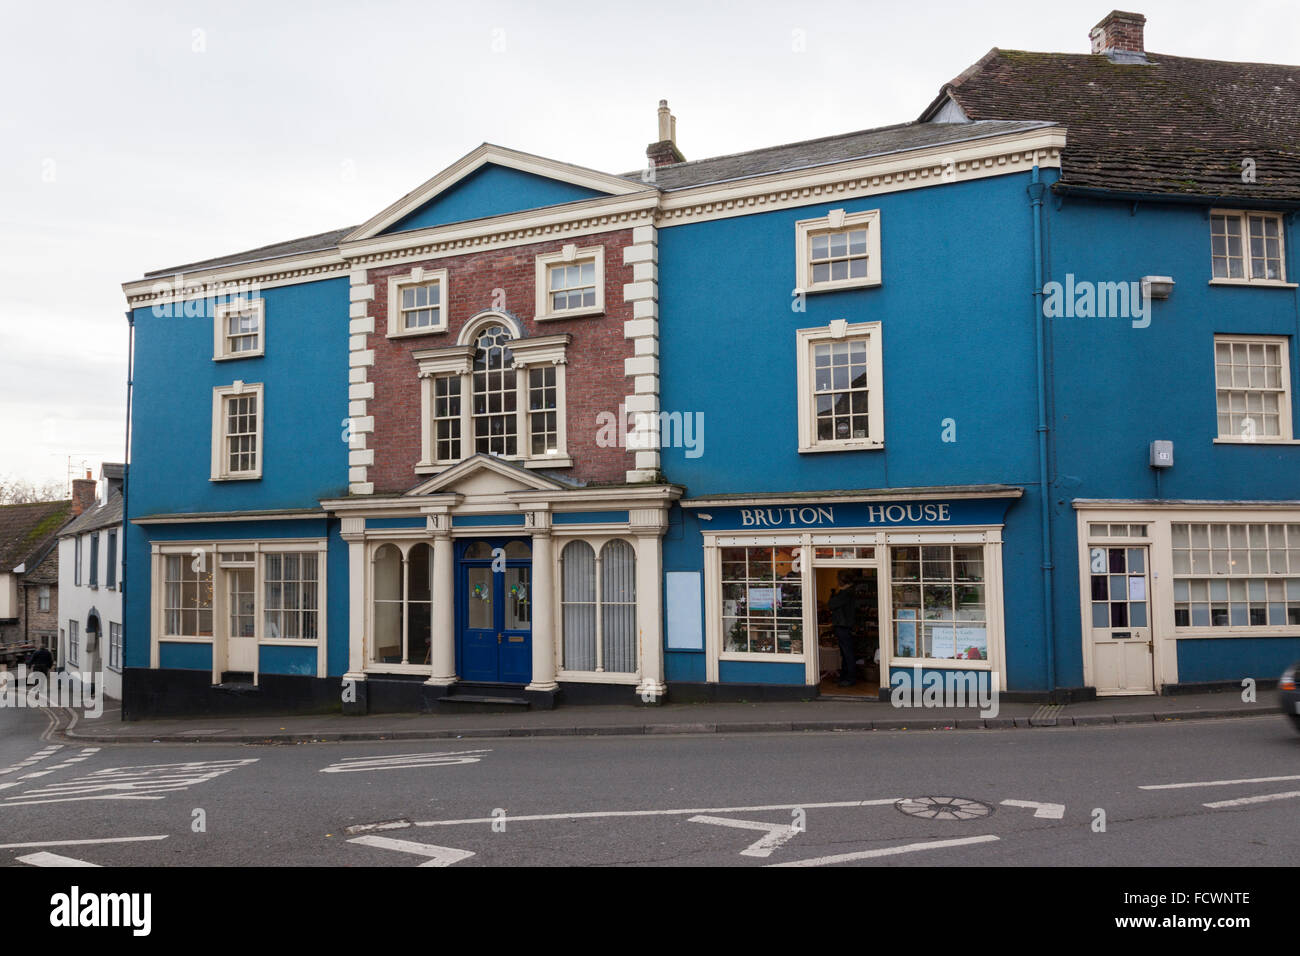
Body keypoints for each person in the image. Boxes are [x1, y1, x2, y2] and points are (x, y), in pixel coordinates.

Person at [828, 572, 857, 686]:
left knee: (847, 653)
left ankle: (850, 678)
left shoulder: (846, 594)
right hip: (845, 626)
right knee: (845, 653)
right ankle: (845, 677)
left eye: (837, 579)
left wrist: (833, 593)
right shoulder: (848, 593)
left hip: (843, 626)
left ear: (842, 580)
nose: (836, 581)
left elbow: (831, 604)